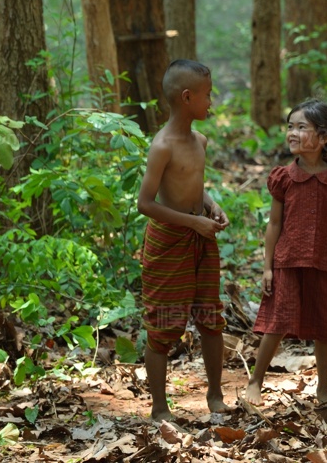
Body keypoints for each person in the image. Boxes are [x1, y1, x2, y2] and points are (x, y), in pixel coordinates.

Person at [244, 99, 327, 406]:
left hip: (324, 262)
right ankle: (256, 381)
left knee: (325, 326)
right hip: (288, 262)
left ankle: (323, 388)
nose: (292, 133)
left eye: (301, 127)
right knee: (277, 322)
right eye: (290, 127)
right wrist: (267, 266)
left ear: (323, 138)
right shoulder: (283, 177)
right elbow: (274, 223)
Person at [136, 59, 229, 421]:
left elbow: (196, 188)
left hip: (200, 239)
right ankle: (160, 408)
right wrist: (192, 223)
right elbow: (146, 203)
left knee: (210, 317)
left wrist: (211, 206)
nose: (212, 102)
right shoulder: (162, 146)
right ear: (187, 97)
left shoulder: (200, 140)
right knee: (162, 325)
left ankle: (216, 394)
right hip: (170, 242)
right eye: (207, 95)